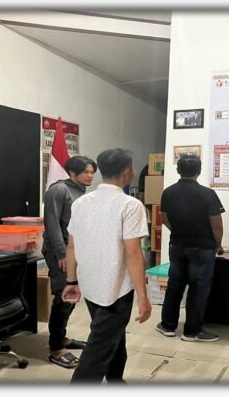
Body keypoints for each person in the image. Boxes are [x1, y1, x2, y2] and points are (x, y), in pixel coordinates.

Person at [62, 148, 152, 383]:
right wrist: (143, 295)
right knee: (99, 348)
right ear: (128, 172)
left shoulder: (81, 203)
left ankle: (116, 381)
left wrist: (71, 280)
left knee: (113, 336)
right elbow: (133, 253)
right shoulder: (130, 205)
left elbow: (71, 246)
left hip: (90, 284)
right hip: (116, 289)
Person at [156, 154, 225, 342]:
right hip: (203, 247)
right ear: (199, 171)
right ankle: (192, 331)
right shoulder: (207, 194)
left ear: (178, 170)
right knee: (198, 288)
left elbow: (165, 218)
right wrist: (218, 245)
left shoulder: (168, 192)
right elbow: (217, 225)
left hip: (177, 244)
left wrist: (178, 231)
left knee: (174, 285)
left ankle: (168, 326)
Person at [42, 155, 97, 368]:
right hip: (61, 252)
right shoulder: (58, 190)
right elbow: (52, 224)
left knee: (71, 296)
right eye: (86, 172)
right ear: (72, 173)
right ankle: (56, 348)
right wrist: (62, 254)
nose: (90, 176)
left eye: (92, 172)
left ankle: (62, 337)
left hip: (76, 251)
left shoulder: (81, 191)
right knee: (63, 298)